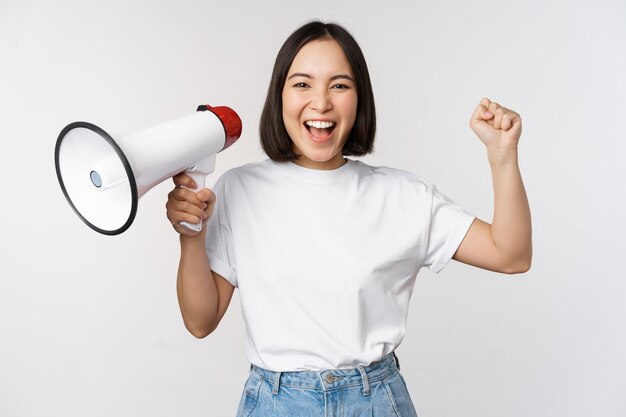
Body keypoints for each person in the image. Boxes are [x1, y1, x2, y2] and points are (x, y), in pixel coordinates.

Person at [166, 21, 531, 417]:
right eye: (302, 84)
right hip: (274, 403)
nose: (321, 102)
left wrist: (502, 154)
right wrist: (191, 236)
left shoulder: (403, 196)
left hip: (375, 401)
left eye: (339, 85)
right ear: (280, 96)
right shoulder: (239, 190)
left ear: (360, 100)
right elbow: (200, 321)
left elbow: (510, 254)